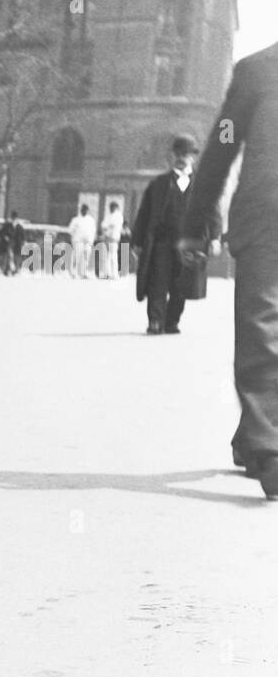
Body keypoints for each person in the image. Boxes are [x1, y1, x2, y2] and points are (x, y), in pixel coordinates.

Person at [182, 40, 278, 498]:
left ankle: (255, 436)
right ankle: (270, 450)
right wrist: (194, 221)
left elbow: (221, 149)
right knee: (263, 329)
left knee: (263, 326)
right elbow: (222, 145)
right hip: (267, 219)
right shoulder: (257, 70)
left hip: (262, 217)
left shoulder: (258, 69)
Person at [133, 134, 208, 335]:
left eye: (186, 154)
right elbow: (144, 213)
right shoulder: (158, 183)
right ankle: (155, 321)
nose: (181, 157)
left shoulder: (202, 186)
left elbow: (213, 212)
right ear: (171, 155)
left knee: (181, 285)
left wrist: (215, 237)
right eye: (178, 153)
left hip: (189, 244)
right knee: (158, 282)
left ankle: (172, 321)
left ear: (193, 157)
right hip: (162, 242)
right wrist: (138, 240)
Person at [67, 203, 97, 278]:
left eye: (86, 210)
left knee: (86, 257)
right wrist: (73, 238)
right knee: (76, 257)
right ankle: (73, 272)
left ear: (88, 211)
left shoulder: (91, 220)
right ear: (81, 210)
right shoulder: (76, 219)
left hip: (87, 242)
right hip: (78, 241)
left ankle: (84, 273)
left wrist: (91, 241)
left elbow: (93, 231)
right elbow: (70, 230)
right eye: (83, 210)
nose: (84, 211)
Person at [98, 199, 124, 279]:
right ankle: (106, 273)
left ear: (116, 207)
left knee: (113, 256)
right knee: (106, 256)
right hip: (106, 237)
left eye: (112, 207)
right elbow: (103, 225)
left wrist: (107, 227)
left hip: (113, 238)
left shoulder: (118, 215)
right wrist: (107, 227)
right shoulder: (109, 215)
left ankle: (114, 274)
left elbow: (112, 225)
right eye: (110, 207)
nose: (111, 208)